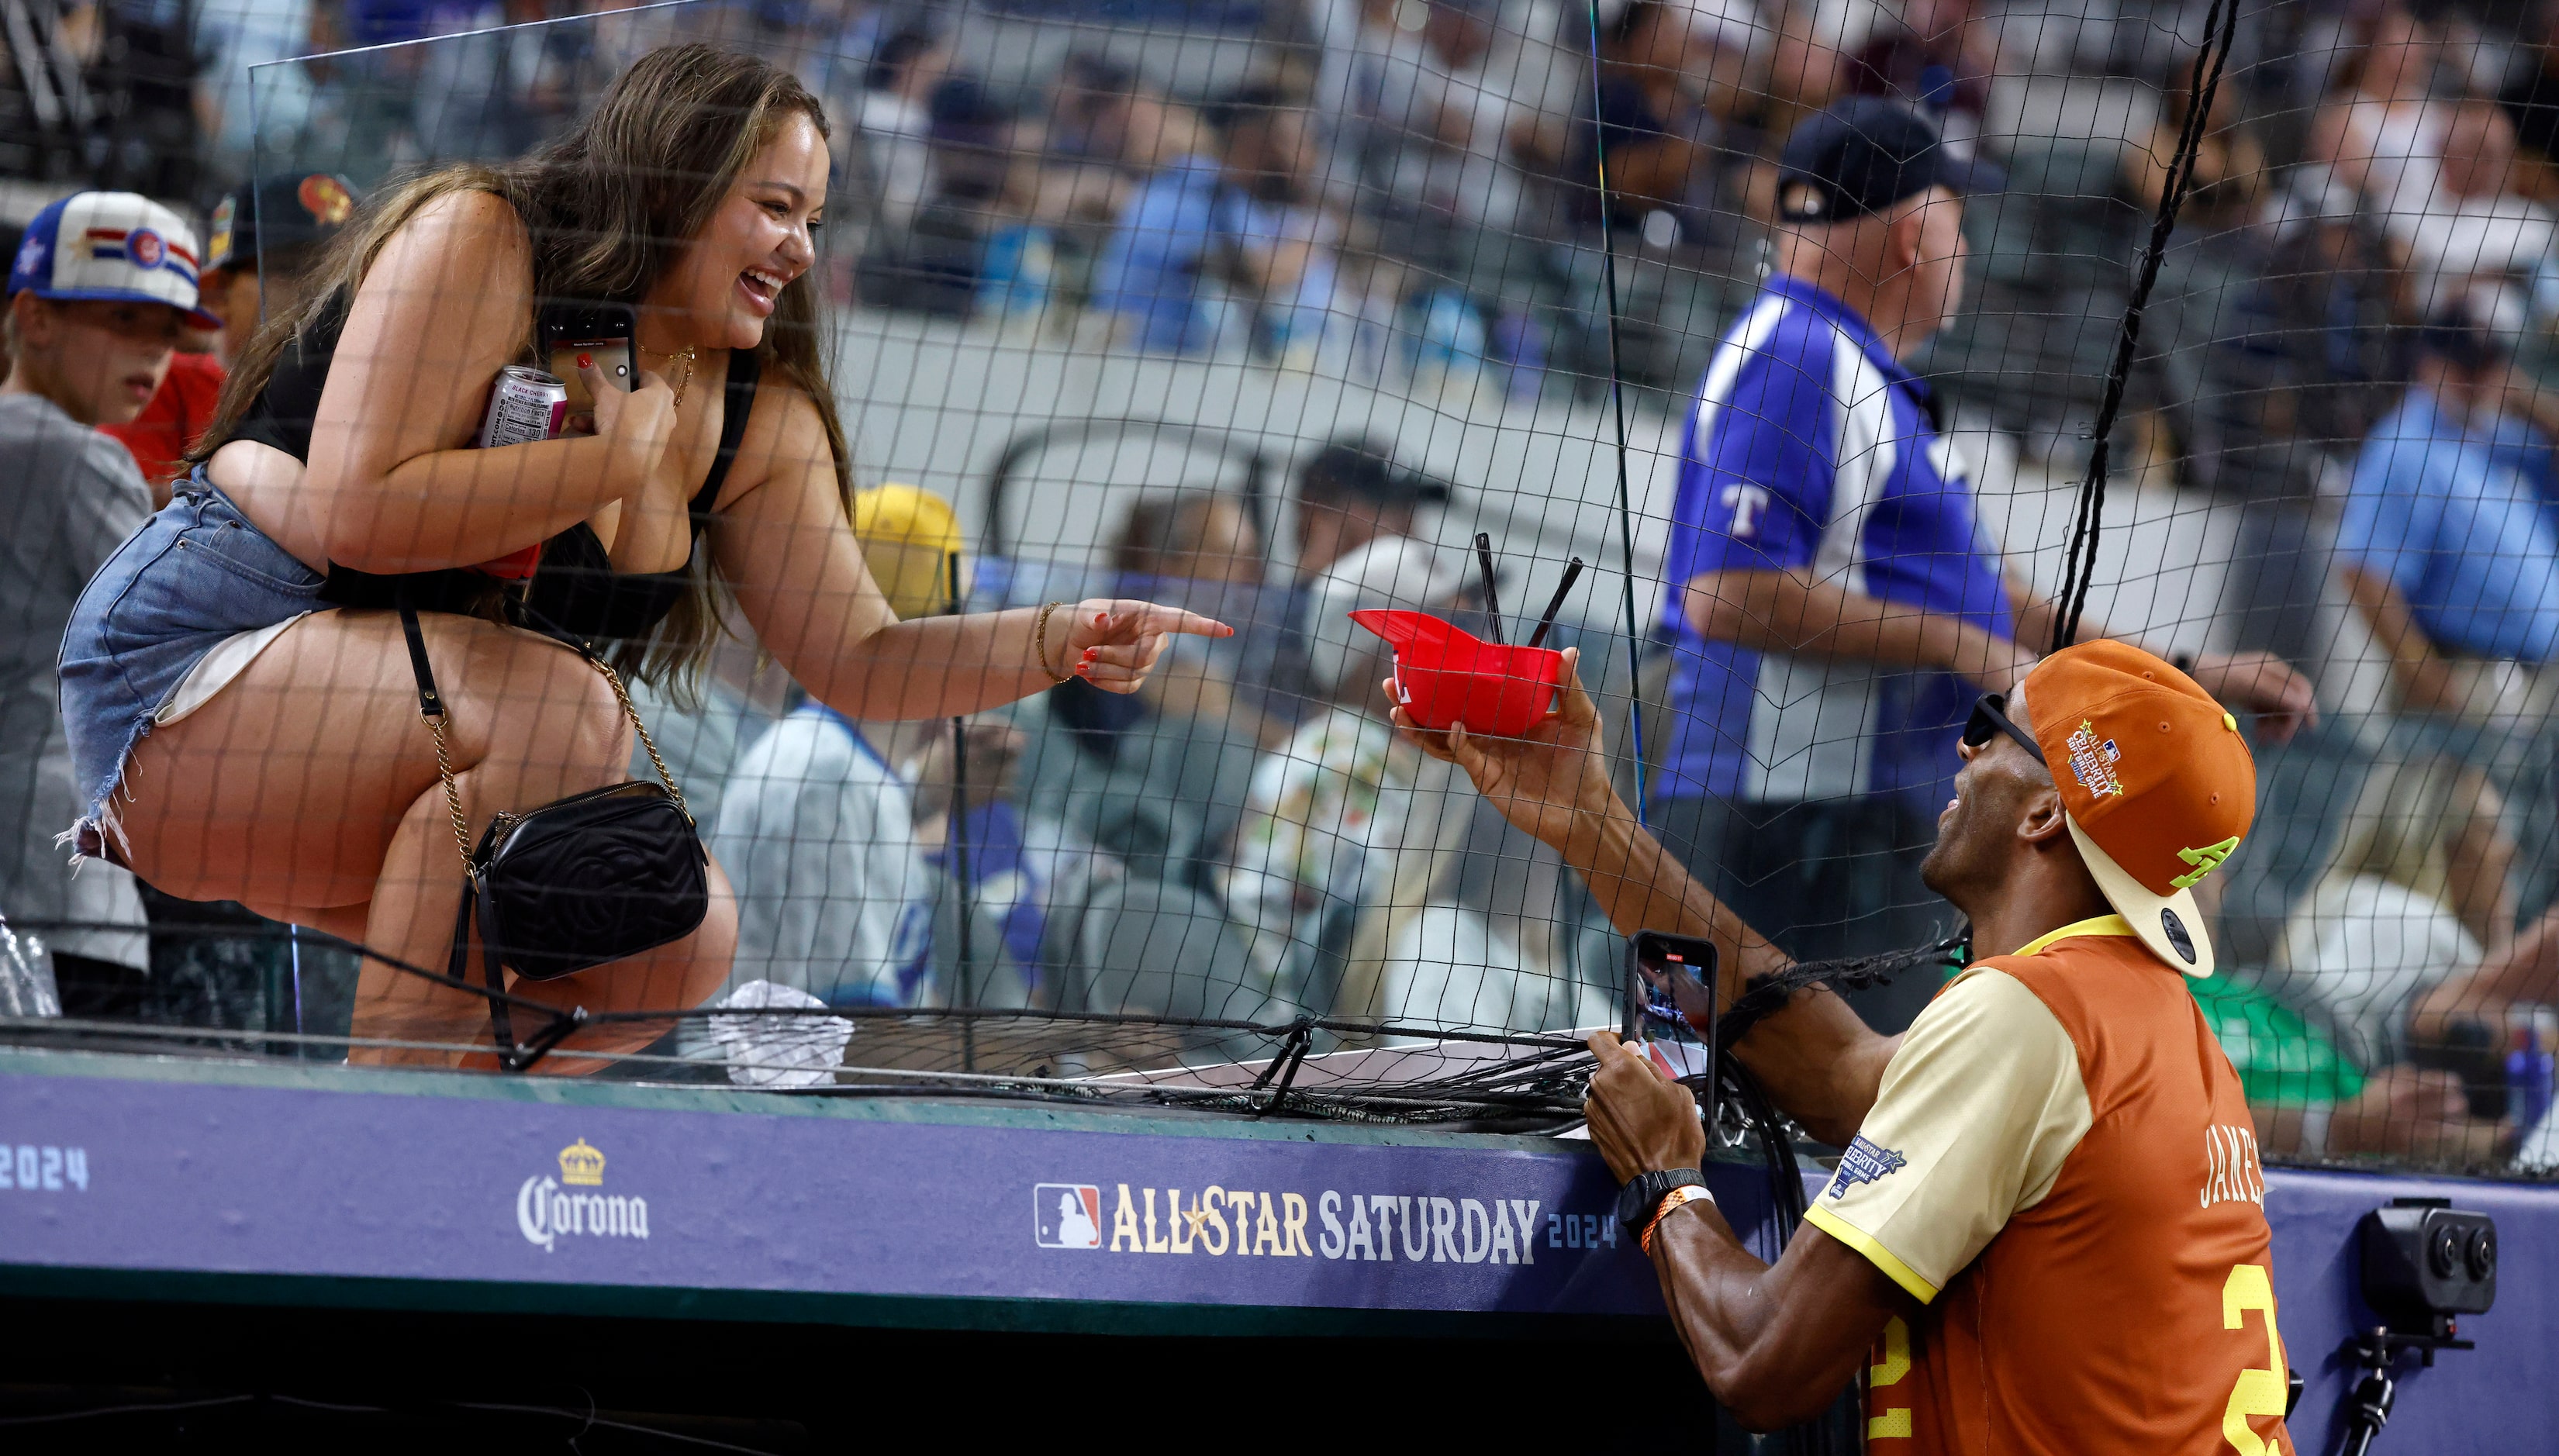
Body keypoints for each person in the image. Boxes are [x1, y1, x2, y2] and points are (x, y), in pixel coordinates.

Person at [54, 45, 1228, 1071]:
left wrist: (1055, 639)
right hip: (184, 686)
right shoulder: (484, 234)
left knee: (681, 929)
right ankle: (388, 1130)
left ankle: (469, 1167)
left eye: (815, 219)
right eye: (774, 206)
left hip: (373, 757)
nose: (800, 248)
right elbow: (357, 514)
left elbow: (865, 660)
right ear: (679, 181)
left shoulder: (759, 410)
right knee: (568, 707)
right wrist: (605, 468)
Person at [1396, 638, 2295, 1447]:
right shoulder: (2139, 1015)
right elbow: (1838, 1074)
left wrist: (1664, 1179)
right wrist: (1590, 820)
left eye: (1993, 730)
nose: (1964, 748)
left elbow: (1763, 1362)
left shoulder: (2029, 1015)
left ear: (2044, 816)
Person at [1656, 98, 2313, 1028]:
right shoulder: (1801, 356)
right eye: (1959, 220)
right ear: (1917, 233)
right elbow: (1725, 596)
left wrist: (2191, 676)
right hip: (1785, 824)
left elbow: (1999, 608)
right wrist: (1967, 650)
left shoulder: (1854, 369)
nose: (1965, 247)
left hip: (1848, 827)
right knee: (1802, 1131)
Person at [2, 192, 217, 1020]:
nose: (155, 352)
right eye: (126, 320)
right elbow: (182, 652)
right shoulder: (76, 458)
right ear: (36, 316)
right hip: (56, 896)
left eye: (168, 332)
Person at [2337, 314, 2559, 723]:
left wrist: (2525, 398)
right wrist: (2433, 683)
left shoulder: (2497, 437)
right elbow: (2365, 573)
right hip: (2464, 679)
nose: (2479, 380)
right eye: (2467, 368)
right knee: (2424, 788)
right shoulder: (2405, 446)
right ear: (2429, 364)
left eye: (2489, 366)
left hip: (2529, 687)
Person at [102, 174, 364, 497]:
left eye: (347, 275)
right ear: (219, 294)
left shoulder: (363, 399)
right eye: (295, 270)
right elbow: (120, 509)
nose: (331, 294)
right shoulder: (158, 378)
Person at [1090, 84, 1344, 358]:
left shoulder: (1227, 195)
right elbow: (1258, 273)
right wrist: (1314, 239)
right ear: (1248, 139)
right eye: (1282, 141)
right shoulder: (1191, 189)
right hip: (1147, 357)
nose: (1292, 155)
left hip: (1172, 360)